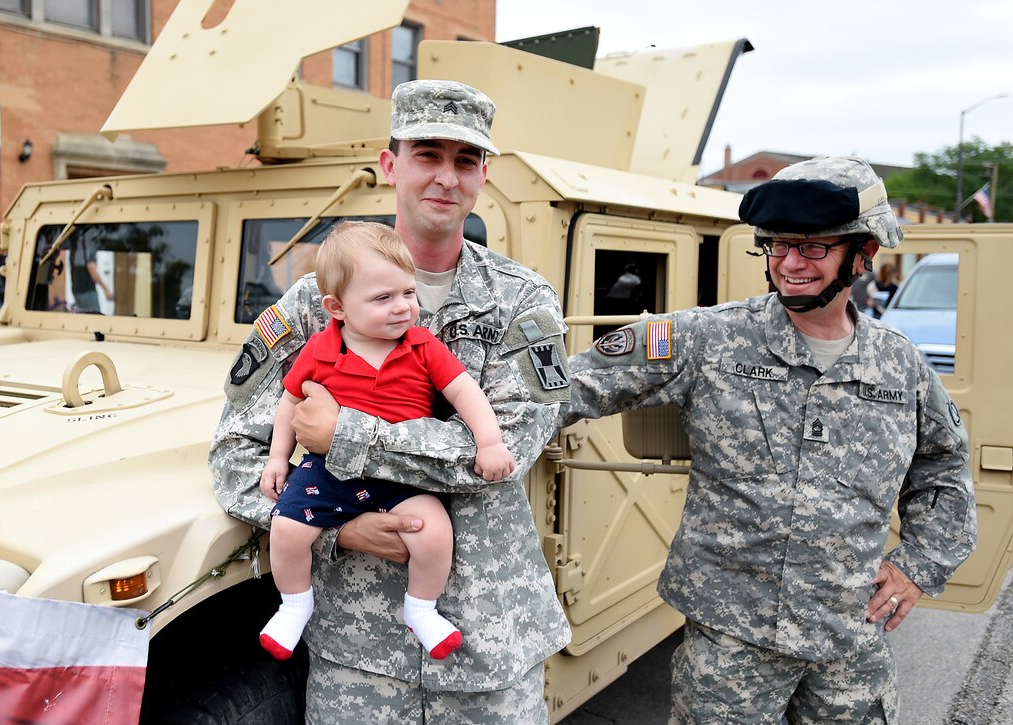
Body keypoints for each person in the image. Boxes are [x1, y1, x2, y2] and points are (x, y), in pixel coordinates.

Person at [560, 156, 976, 723]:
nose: (789, 264)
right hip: (730, 648)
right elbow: (564, 389)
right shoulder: (705, 338)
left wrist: (918, 565)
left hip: (850, 643)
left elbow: (944, 466)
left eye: (813, 248)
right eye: (778, 245)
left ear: (864, 253)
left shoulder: (900, 366)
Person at [209, 79, 572, 723]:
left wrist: (346, 435)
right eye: (427, 154)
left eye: (465, 160)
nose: (446, 178)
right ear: (390, 164)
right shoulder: (312, 302)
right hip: (358, 654)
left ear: (483, 175)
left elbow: (506, 452)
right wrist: (337, 526)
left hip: (489, 644)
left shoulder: (523, 301)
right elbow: (238, 450)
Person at [257, 221, 514, 663]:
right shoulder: (320, 349)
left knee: (433, 532)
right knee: (285, 530)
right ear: (336, 307)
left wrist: (489, 443)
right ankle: (294, 604)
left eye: (408, 293)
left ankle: (422, 608)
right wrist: (277, 458)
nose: (403, 308)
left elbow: (465, 392)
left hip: (398, 473)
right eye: (383, 298)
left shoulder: (421, 345)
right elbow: (289, 403)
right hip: (328, 471)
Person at [69, 234, 113, 312]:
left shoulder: (77, 245)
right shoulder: (89, 245)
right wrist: (106, 289)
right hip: (87, 291)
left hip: (77, 290)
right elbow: (91, 267)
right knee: (95, 320)